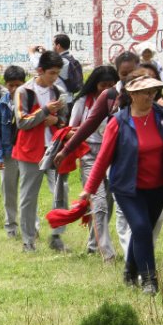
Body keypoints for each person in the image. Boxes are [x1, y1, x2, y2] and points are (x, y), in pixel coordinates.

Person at [80, 75, 163, 295]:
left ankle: (130, 271)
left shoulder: (160, 115)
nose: (150, 96)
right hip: (127, 187)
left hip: (158, 186)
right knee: (140, 228)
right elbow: (103, 157)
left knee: (143, 230)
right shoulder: (118, 122)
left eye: (153, 92)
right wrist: (89, 189)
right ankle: (149, 279)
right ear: (132, 95)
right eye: (145, 92)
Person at [14, 50, 70, 253]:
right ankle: (28, 240)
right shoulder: (23, 91)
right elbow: (22, 122)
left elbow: (65, 120)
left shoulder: (58, 90)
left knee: (61, 193)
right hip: (30, 150)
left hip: (54, 149)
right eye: (51, 73)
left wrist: (57, 120)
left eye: (57, 73)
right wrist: (44, 110)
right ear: (40, 70)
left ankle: (57, 236)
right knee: (29, 196)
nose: (54, 77)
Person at [69, 65, 122, 260]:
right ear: (94, 85)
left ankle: (93, 243)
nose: (106, 89)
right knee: (98, 202)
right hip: (90, 155)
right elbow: (71, 129)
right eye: (103, 85)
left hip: (113, 155)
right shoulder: (83, 101)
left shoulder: (121, 101)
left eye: (111, 84)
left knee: (108, 200)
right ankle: (107, 252)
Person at [0, 66, 26, 239]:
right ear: (5, 84)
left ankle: (30, 226)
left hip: (26, 154)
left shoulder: (29, 103)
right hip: (8, 155)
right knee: (9, 192)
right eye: (11, 85)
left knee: (27, 193)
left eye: (18, 85)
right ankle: (11, 226)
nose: (14, 89)